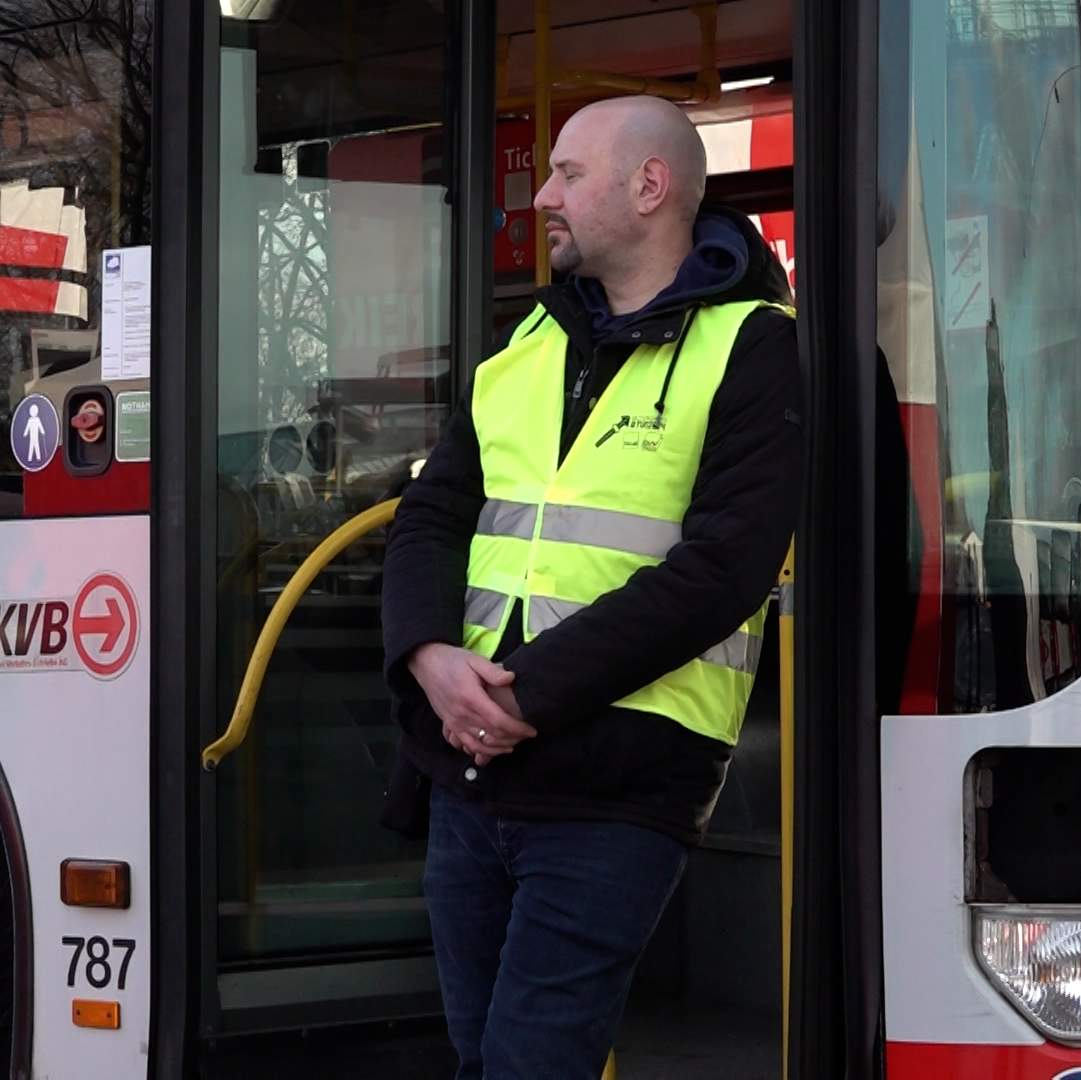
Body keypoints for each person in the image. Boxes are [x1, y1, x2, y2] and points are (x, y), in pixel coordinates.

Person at [378, 94, 803, 1078]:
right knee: (484, 1059)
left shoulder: (754, 346)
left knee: (532, 1065)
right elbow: (429, 520)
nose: (547, 198)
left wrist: (520, 694)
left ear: (650, 185)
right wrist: (431, 660)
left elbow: (722, 572)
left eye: (569, 174)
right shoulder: (530, 340)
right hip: (469, 771)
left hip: (617, 788)